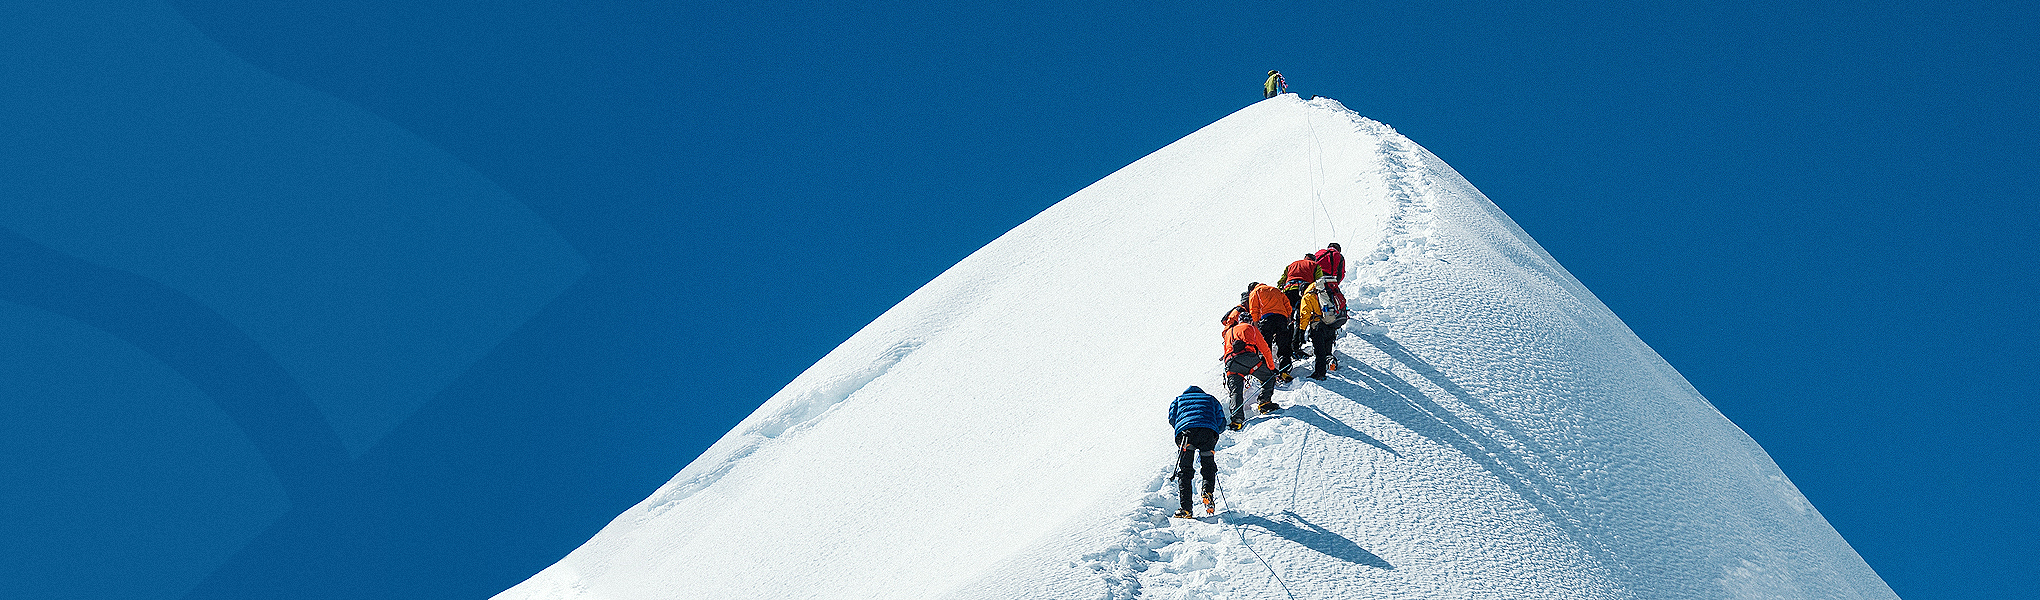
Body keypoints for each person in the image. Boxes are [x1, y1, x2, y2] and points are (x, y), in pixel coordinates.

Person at [1168, 386, 1225, 518]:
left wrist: (1181, 426)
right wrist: (1215, 432)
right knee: (1208, 465)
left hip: (1186, 434)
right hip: (1207, 433)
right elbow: (1221, 420)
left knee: (1185, 469)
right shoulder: (1210, 399)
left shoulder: (1179, 399)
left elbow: (1172, 418)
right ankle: (1207, 490)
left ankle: (1186, 508)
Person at [1223, 317, 1282, 428]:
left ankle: (1236, 420)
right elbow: (1265, 349)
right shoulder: (1251, 328)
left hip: (1231, 363)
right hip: (1248, 359)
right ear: (1249, 321)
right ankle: (1264, 403)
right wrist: (1272, 367)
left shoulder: (1228, 332)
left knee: (1236, 391)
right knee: (1268, 377)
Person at [1297, 276, 1347, 379]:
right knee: (1327, 349)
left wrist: (1302, 330)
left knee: (1319, 351)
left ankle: (1320, 374)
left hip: (1318, 326)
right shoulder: (1324, 292)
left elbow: (1305, 314)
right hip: (1330, 324)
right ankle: (1330, 362)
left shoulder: (1308, 296)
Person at [1248, 281, 1297, 371]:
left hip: (1267, 319)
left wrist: (1256, 325)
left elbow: (1254, 310)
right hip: (1281, 318)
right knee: (1283, 344)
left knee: (1265, 346)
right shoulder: (1275, 290)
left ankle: (1266, 369)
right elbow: (1287, 303)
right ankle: (1285, 367)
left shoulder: (1255, 292)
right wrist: (1288, 317)